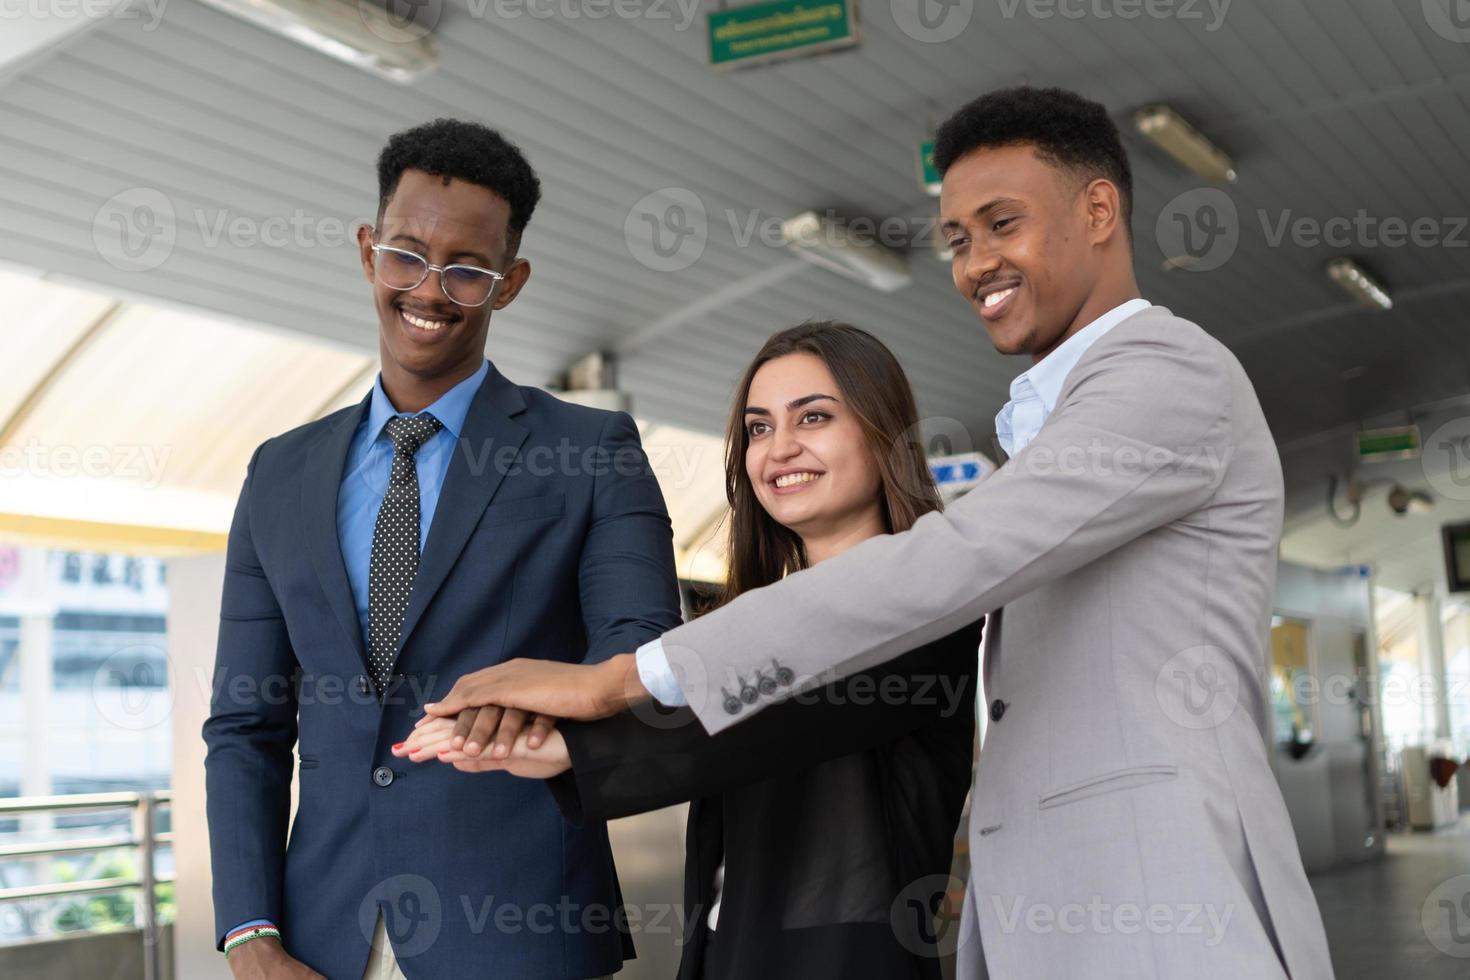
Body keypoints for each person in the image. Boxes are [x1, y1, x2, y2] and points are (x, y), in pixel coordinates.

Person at [417, 88, 1336, 979]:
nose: (974, 263)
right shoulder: (1054, 429)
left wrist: (616, 681)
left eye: (1002, 224)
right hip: (1060, 915)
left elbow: (952, 565)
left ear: (1099, 209)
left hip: (1156, 907)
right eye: (956, 239)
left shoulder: (1167, 373)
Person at [202, 118, 682, 979]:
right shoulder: (279, 472)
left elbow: (641, 652)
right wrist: (248, 934)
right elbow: (246, 723)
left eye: (468, 267)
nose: (430, 288)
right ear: (367, 251)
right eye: (407, 254)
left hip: (521, 930)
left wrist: (543, 702)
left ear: (510, 284)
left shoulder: (591, 449)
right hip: (321, 941)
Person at [397, 321, 983, 979]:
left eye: (812, 418)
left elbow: (772, 723)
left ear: (883, 437)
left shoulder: (928, 598)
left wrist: (573, 745)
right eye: (759, 428)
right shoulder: (744, 628)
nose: (779, 448)